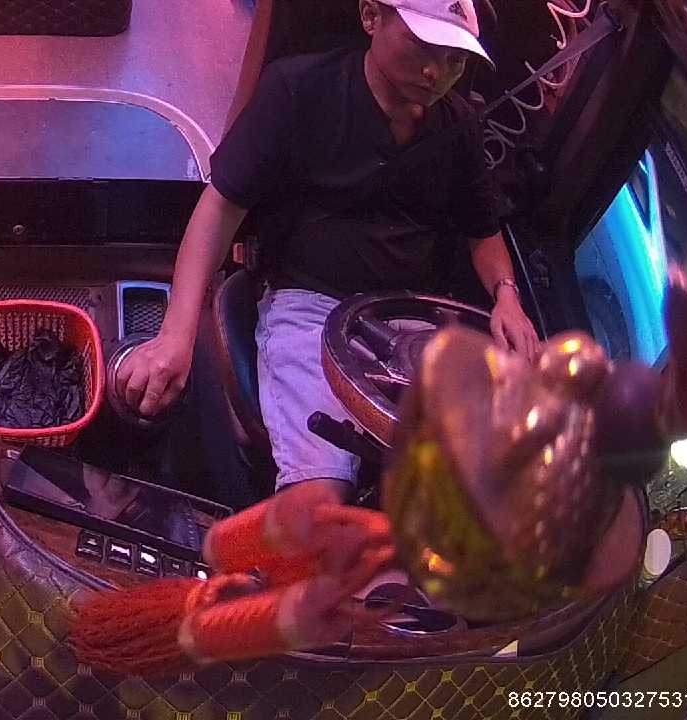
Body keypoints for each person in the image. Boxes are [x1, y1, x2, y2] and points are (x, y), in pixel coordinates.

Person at [118, 0, 541, 503]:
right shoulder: (297, 90)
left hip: (410, 318)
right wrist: (176, 336)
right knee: (320, 494)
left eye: (454, 59)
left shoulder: (459, 126)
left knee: (485, 486)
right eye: (421, 46)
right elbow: (220, 208)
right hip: (309, 306)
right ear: (371, 17)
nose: (436, 72)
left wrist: (507, 295)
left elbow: (483, 231)